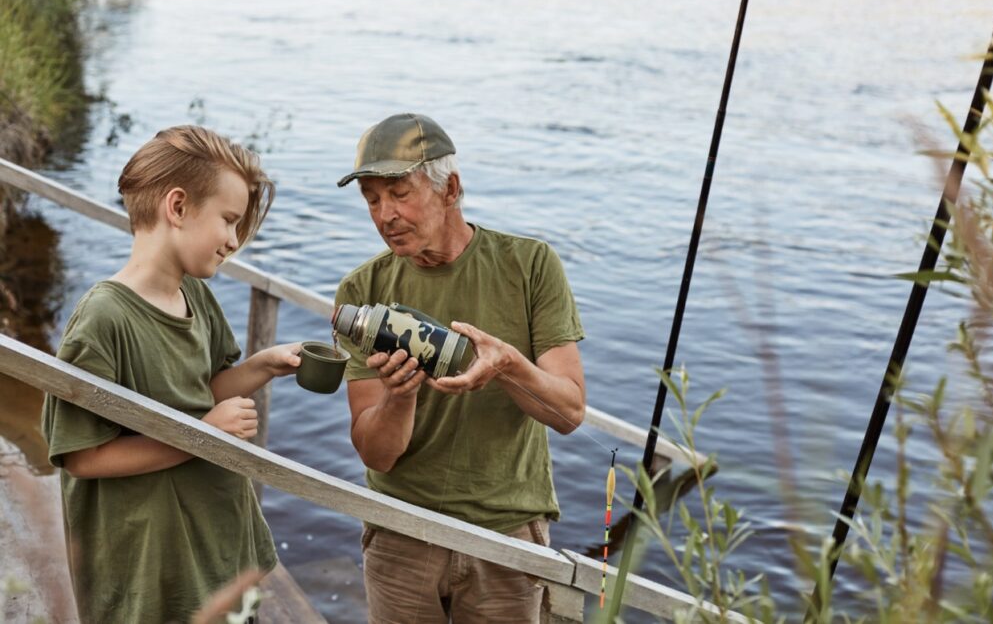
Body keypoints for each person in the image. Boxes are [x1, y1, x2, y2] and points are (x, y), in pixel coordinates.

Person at [41, 125, 301, 623]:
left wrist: (261, 366)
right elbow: (82, 456)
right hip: (150, 560)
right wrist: (201, 436)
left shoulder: (195, 295)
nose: (232, 241)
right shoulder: (103, 319)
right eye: (228, 220)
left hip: (214, 537)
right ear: (177, 207)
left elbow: (202, 393)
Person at [334, 112, 586, 623]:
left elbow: (568, 412)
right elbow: (377, 455)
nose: (385, 215)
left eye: (399, 193)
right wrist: (399, 396)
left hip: (507, 537)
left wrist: (508, 365)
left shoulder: (530, 266)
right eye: (372, 200)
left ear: (450, 189)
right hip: (401, 530)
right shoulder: (362, 294)